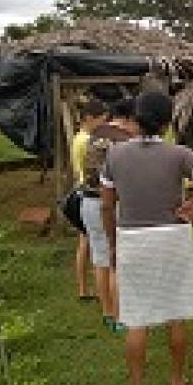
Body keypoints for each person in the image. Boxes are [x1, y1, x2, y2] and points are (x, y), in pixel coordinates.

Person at [100, 92, 193, 385]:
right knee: (176, 313)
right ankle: (176, 383)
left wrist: (113, 244)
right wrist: (192, 204)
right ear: (166, 122)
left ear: (134, 118)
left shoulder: (114, 156)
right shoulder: (179, 154)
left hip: (133, 239)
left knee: (136, 318)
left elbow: (107, 204)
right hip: (173, 239)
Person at [82, 98, 136, 333]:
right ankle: (121, 316)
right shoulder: (123, 140)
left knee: (100, 257)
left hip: (88, 202)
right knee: (116, 259)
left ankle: (107, 313)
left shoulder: (97, 134)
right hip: (109, 204)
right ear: (129, 120)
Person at [71, 99, 107, 300]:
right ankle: (96, 289)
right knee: (94, 245)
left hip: (82, 191)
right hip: (91, 193)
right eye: (101, 121)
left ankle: (84, 289)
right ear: (89, 119)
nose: (104, 125)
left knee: (85, 243)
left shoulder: (79, 137)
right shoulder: (88, 141)